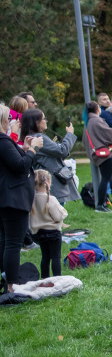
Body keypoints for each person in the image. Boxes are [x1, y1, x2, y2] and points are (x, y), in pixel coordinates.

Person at [0, 104, 41, 289]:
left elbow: (12, 163)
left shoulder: (5, 141)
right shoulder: (3, 140)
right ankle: (12, 285)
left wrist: (23, 149)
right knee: (13, 244)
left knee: (6, 242)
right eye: (9, 118)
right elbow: (20, 166)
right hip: (13, 198)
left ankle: (7, 280)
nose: (13, 121)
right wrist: (33, 150)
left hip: (9, 197)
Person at [22, 108, 80, 205]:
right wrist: (69, 134)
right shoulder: (39, 138)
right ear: (36, 122)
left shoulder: (31, 137)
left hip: (46, 184)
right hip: (52, 185)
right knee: (56, 217)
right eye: (44, 118)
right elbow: (62, 151)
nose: (46, 121)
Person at [30, 170, 67, 279]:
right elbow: (58, 216)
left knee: (45, 257)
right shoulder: (51, 199)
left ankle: (45, 279)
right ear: (48, 182)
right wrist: (64, 212)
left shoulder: (31, 199)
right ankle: (57, 280)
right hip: (53, 233)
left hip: (38, 233)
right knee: (55, 257)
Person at [84, 100, 112, 213]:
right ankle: (100, 205)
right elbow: (110, 135)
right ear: (97, 109)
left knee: (103, 179)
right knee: (105, 179)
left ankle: (101, 204)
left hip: (97, 154)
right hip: (105, 154)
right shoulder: (97, 121)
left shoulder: (88, 122)